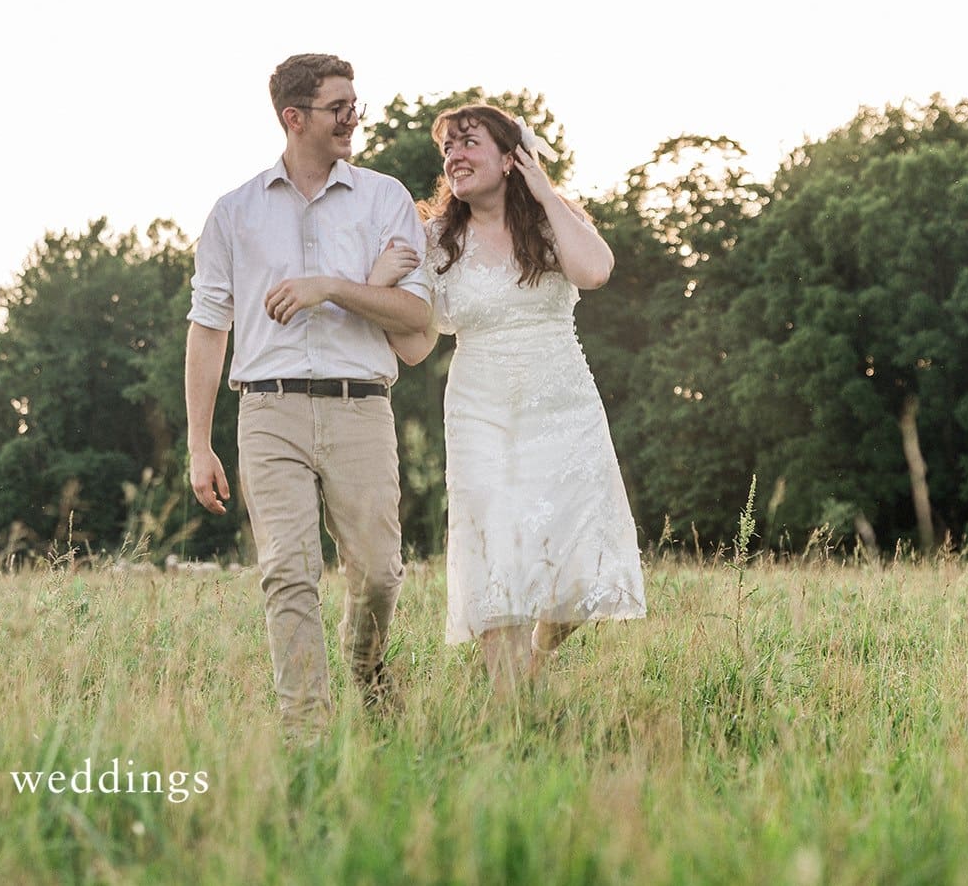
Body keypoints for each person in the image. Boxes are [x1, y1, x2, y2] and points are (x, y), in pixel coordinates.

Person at [184, 53, 432, 737]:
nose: (354, 118)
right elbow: (208, 328)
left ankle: (366, 666)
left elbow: (417, 318)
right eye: (338, 108)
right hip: (268, 410)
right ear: (294, 118)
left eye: (355, 104)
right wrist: (199, 443)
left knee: (378, 573)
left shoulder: (385, 199)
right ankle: (307, 732)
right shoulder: (233, 212)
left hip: (362, 406)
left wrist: (331, 286)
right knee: (289, 572)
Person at [370, 103, 645, 693]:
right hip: (480, 411)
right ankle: (509, 708)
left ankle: (539, 655)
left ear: (509, 157)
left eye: (468, 142)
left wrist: (543, 189)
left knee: (578, 559)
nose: (454, 156)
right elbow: (416, 347)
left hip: (563, 405)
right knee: (497, 554)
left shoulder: (551, 221)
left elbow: (595, 271)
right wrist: (377, 287)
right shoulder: (434, 240)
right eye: (447, 148)